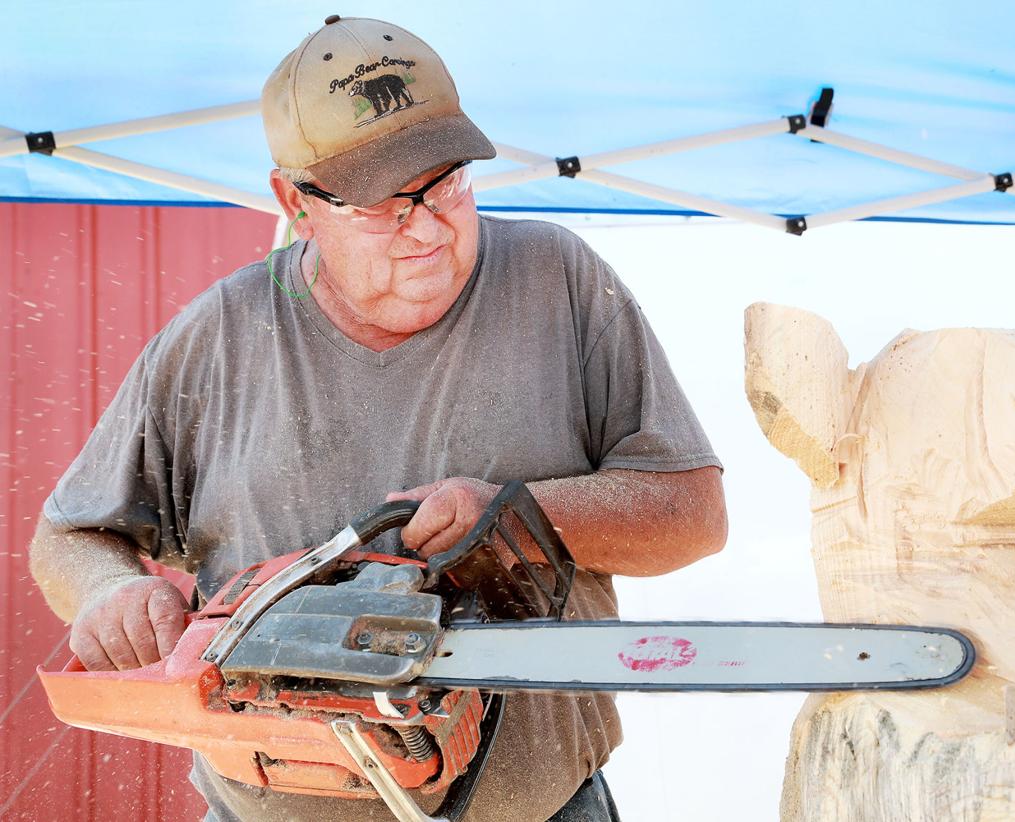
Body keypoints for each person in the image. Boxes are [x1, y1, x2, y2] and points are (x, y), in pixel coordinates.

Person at [28, 15, 726, 822]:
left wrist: (521, 516)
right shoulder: (220, 335)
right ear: (296, 201)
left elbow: (692, 514)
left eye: (445, 184)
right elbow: (68, 537)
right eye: (382, 204)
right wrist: (108, 591)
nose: (427, 227)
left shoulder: (556, 281)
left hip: (540, 808)